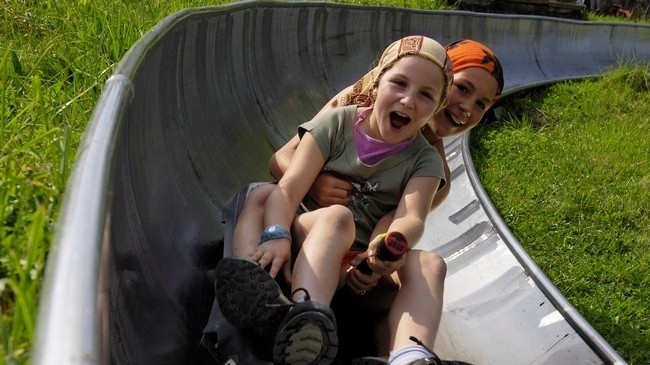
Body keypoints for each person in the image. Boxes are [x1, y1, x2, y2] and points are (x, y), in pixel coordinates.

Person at [225, 39, 504, 363]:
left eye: (482, 104)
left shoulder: (430, 168)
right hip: (310, 226)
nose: (467, 108)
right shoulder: (349, 112)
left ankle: (409, 355)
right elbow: (283, 165)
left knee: (428, 264)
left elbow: (400, 219)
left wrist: (381, 254)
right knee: (264, 195)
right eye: (464, 89)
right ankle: (255, 283)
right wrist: (316, 184)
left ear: (435, 97)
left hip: (358, 259)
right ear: (380, 79)